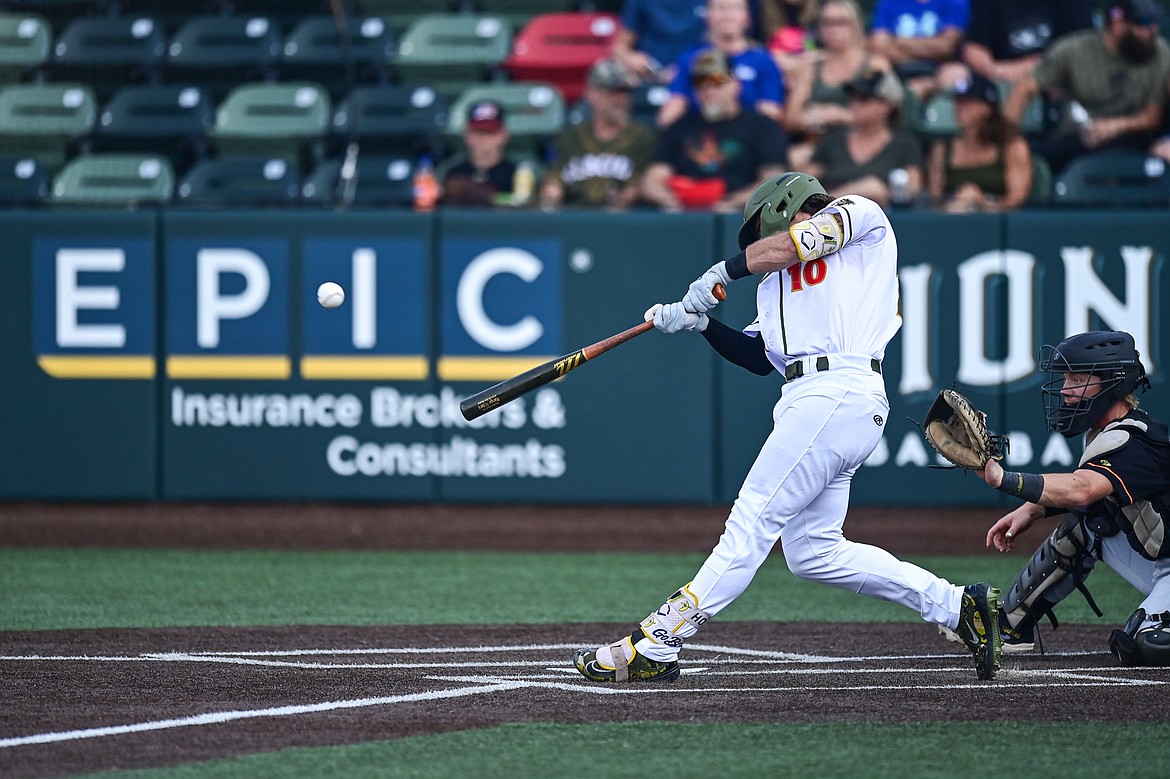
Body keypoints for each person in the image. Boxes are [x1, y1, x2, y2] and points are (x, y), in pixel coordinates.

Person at [573, 171, 1004, 684]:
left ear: (783, 206)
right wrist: (702, 324)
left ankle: (659, 639)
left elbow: (802, 241)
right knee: (813, 552)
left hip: (839, 390)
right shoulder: (774, 284)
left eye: (761, 232)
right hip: (814, 401)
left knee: (751, 520)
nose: (760, 245)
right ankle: (957, 606)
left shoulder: (860, 216)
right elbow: (760, 357)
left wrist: (723, 271)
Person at [965, 331, 1170, 666]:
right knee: (1086, 525)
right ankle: (1012, 627)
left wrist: (1002, 479)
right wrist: (1031, 510)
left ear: (1112, 384)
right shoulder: (1106, 432)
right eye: (1065, 379)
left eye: (1076, 379)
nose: (1064, 390)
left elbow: (1082, 489)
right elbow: (1089, 496)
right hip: (1161, 565)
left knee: (1143, 644)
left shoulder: (1136, 440)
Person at [1003, 0, 1170, 177]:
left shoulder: (1158, 51)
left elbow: (1153, 116)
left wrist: (1113, 127)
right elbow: (1023, 90)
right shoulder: (1074, 50)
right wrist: (1007, 142)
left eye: (1154, 22)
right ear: (1118, 25)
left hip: (1134, 140)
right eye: (1144, 23)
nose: (1153, 29)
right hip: (1076, 140)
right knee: (1029, 150)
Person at [640, 50, 789, 212]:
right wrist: (671, 201)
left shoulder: (762, 127)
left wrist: (732, 202)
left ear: (736, 85)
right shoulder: (679, 127)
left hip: (741, 216)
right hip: (686, 214)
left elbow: (774, 181)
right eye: (700, 84)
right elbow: (652, 179)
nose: (709, 91)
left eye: (717, 82)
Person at [783, 0, 895, 169]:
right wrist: (809, 117)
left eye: (840, 23)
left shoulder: (873, 65)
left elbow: (885, 111)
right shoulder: (812, 67)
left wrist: (839, 115)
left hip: (863, 140)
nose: (833, 29)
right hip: (819, 144)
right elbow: (791, 118)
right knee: (791, 159)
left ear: (855, 25)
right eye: (827, 23)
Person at [539, 59, 658, 211]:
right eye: (612, 92)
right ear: (591, 93)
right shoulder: (572, 138)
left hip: (623, 223)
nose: (620, 100)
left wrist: (629, 195)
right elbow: (554, 181)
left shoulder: (644, 138)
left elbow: (641, 185)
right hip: (575, 218)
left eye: (625, 92)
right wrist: (551, 193)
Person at [658, 0, 786, 128]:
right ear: (707, 16)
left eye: (735, 8)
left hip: (748, 134)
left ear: (747, 17)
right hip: (702, 132)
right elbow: (676, 102)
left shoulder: (762, 60)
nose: (728, 15)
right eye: (720, 8)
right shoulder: (692, 58)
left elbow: (771, 110)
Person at [806, 68, 923, 206]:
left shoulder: (905, 144)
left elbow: (911, 190)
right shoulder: (834, 140)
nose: (855, 104)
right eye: (852, 97)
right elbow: (807, 182)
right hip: (830, 221)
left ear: (888, 105)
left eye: (864, 98)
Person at [925, 73, 1033, 212]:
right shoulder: (942, 150)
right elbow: (935, 200)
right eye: (958, 101)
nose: (959, 107)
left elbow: (1017, 199)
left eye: (967, 102)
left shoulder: (1012, 146)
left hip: (997, 224)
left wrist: (983, 203)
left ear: (987, 107)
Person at [960, 0, 1094, 88]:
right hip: (1002, 87)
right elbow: (973, 50)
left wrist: (1024, 70)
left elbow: (1080, 51)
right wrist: (999, 72)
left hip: (1058, 87)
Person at [867, 0, 970, 95]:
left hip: (940, 70)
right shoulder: (890, 2)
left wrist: (898, 41)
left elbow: (946, 47)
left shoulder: (954, 2)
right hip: (897, 69)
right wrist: (932, 47)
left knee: (957, 74)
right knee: (876, 63)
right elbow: (879, 46)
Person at [611, 0, 709, 84]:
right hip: (650, 75)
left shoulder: (707, 2)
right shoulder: (641, 2)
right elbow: (620, 47)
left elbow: (720, 42)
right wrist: (631, 58)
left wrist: (685, 69)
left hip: (697, 76)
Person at [440, 99, 516, 207]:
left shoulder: (515, 174)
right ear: (466, 134)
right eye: (477, 132)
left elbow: (522, 203)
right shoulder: (452, 173)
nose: (483, 139)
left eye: (490, 133)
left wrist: (487, 196)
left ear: (503, 135)